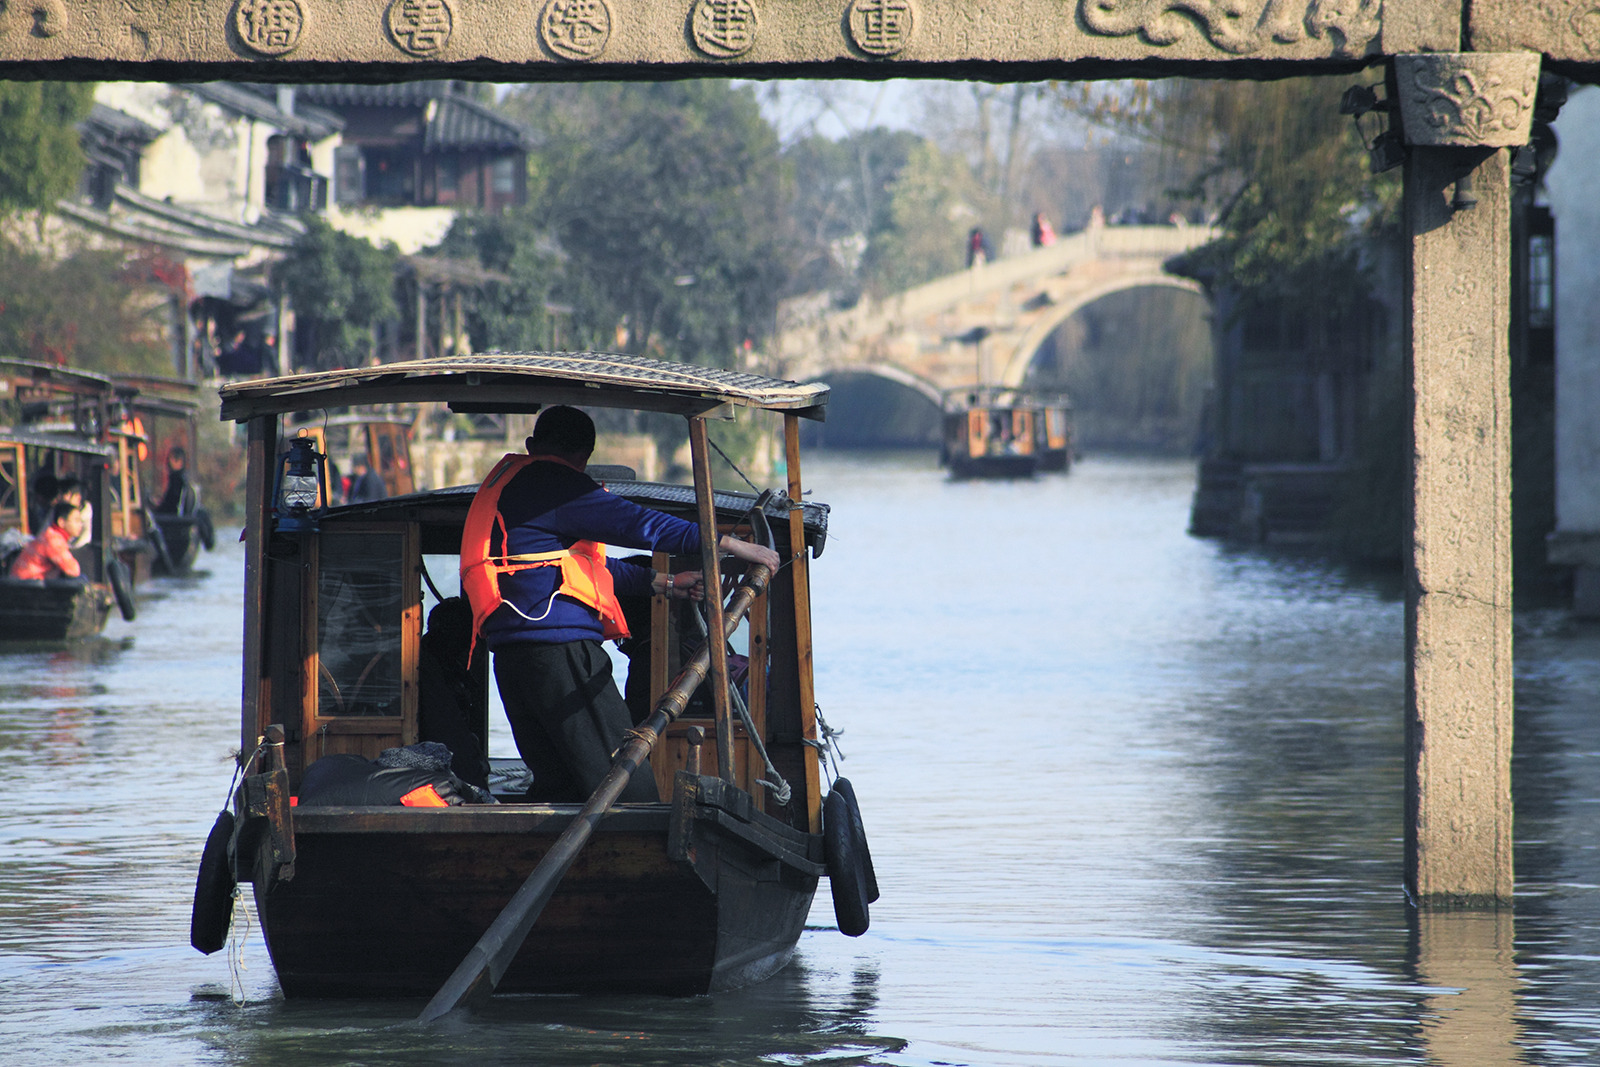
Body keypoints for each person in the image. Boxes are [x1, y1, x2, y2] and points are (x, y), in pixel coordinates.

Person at [461, 406, 780, 803]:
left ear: (531, 445)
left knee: (558, 785)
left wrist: (664, 583)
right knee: (627, 781)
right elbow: (639, 524)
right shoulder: (556, 483)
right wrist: (728, 543)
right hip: (558, 651)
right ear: (584, 458)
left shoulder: (509, 485)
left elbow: (585, 566)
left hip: (509, 657)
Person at [9, 502, 85, 581]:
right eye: (76, 520)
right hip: (28, 585)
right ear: (61, 522)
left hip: (25, 583)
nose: (80, 525)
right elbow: (73, 570)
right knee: (80, 580)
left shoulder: (50, 535)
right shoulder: (53, 539)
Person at [155, 447, 190, 514]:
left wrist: (157, 510)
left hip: (171, 518)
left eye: (172, 459)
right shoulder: (179, 479)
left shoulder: (177, 480)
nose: (169, 463)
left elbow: (171, 504)